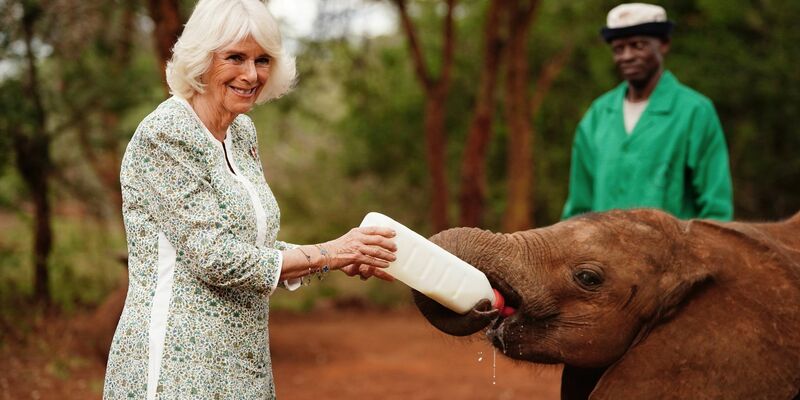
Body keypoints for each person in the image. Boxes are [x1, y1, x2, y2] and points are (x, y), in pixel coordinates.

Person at [103, 0, 397, 398]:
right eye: (235, 57)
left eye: (262, 60)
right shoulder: (166, 135)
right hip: (176, 364)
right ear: (203, 59)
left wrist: (344, 256)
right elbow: (218, 258)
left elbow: (254, 250)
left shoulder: (241, 133)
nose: (251, 74)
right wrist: (330, 252)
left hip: (243, 363)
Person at [561, 3, 733, 221]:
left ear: (663, 44)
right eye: (618, 49)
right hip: (603, 255)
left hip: (671, 255)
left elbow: (716, 210)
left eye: (638, 45)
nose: (627, 56)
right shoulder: (598, 116)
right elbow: (578, 208)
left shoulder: (695, 112)